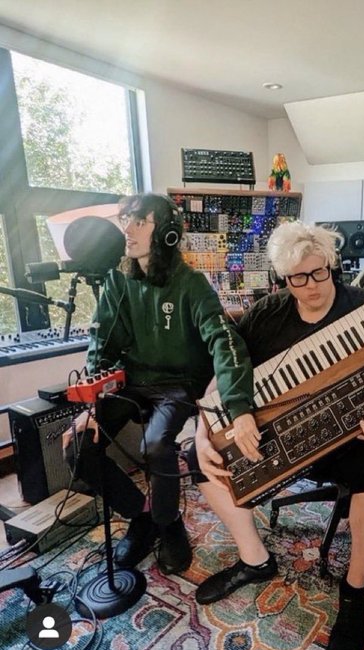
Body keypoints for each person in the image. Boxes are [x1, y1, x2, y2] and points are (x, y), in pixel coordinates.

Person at [190, 221, 364, 650]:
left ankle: (354, 591)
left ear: (331, 266)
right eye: (298, 278)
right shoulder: (267, 313)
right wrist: (203, 429)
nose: (312, 286)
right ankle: (255, 560)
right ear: (283, 279)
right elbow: (227, 370)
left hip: (357, 438)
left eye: (320, 273)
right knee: (201, 460)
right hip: (286, 436)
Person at [62, 193, 259, 575]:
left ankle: (169, 525)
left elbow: (224, 341)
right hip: (130, 381)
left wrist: (238, 406)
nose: (128, 230)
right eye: (126, 221)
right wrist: (93, 407)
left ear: (167, 233)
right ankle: (143, 516)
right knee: (79, 446)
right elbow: (102, 345)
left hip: (177, 384)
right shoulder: (117, 281)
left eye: (140, 222)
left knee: (156, 445)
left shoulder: (192, 284)